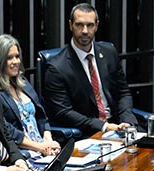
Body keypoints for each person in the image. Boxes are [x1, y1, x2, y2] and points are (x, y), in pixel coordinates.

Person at [42, 3, 137, 134]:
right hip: (87, 131)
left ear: (97, 25)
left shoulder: (109, 52)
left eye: (90, 25)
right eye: (79, 25)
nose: (85, 31)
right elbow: (63, 112)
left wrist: (127, 121)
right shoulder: (57, 67)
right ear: (70, 25)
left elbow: (123, 92)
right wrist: (104, 127)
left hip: (118, 126)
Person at [0, 34, 61, 157]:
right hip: (23, 154)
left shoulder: (23, 82)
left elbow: (41, 116)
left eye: (17, 56)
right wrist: (40, 147)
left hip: (43, 149)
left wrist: (48, 140)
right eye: (9, 58)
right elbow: (7, 130)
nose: (16, 61)